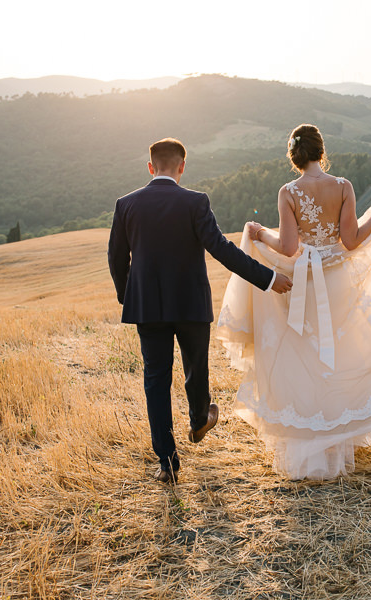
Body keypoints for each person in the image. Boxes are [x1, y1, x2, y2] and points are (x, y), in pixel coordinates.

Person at [216, 124, 371, 480]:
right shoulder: (343, 186)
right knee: (341, 353)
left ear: (294, 156)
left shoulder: (288, 191)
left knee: (307, 355)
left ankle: (312, 445)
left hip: (305, 283)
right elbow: (351, 241)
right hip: (338, 282)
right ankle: (339, 441)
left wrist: (261, 235)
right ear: (322, 152)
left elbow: (288, 248)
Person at [108, 137, 293, 484]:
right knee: (197, 368)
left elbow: (116, 257)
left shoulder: (126, 204)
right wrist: (267, 278)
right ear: (182, 167)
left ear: (150, 167)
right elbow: (222, 249)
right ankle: (197, 420)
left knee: (155, 380)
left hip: (147, 307)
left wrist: (126, 295)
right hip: (191, 304)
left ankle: (166, 462)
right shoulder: (195, 202)